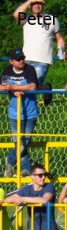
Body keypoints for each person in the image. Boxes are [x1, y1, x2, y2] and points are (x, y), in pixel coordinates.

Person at [1, 49, 39, 178]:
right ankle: (26, 169)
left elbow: (32, 86)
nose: (21, 61)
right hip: (14, 113)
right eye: (18, 59)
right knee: (19, 143)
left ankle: (10, 162)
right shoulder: (7, 71)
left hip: (30, 112)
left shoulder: (30, 70)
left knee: (24, 142)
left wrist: (13, 87)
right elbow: (2, 86)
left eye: (22, 58)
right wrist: (13, 91)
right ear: (11, 61)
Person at [13, 0, 66, 84]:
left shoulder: (51, 19)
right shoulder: (26, 18)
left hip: (42, 61)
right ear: (30, 6)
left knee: (33, 86)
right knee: (22, 86)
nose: (37, 6)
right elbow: (16, 14)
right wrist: (30, 0)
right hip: (25, 60)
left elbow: (59, 38)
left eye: (39, 3)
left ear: (43, 5)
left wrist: (61, 52)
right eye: (34, 3)